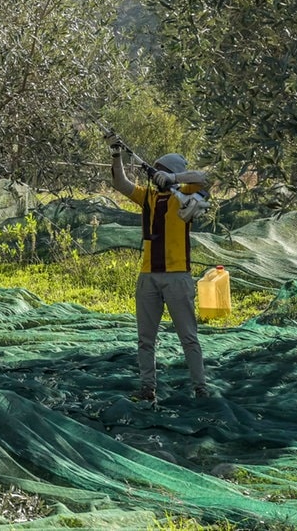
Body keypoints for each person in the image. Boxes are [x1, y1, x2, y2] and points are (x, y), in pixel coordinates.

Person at [107, 136, 212, 403]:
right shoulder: (148, 197)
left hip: (178, 275)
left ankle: (201, 388)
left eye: (159, 169)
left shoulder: (187, 195)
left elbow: (204, 178)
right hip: (148, 276)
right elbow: (120, 184)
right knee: (145, 339)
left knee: (188, 337)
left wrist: (175, 178)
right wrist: (116, 154)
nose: (155, 174)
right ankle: (147, 388)